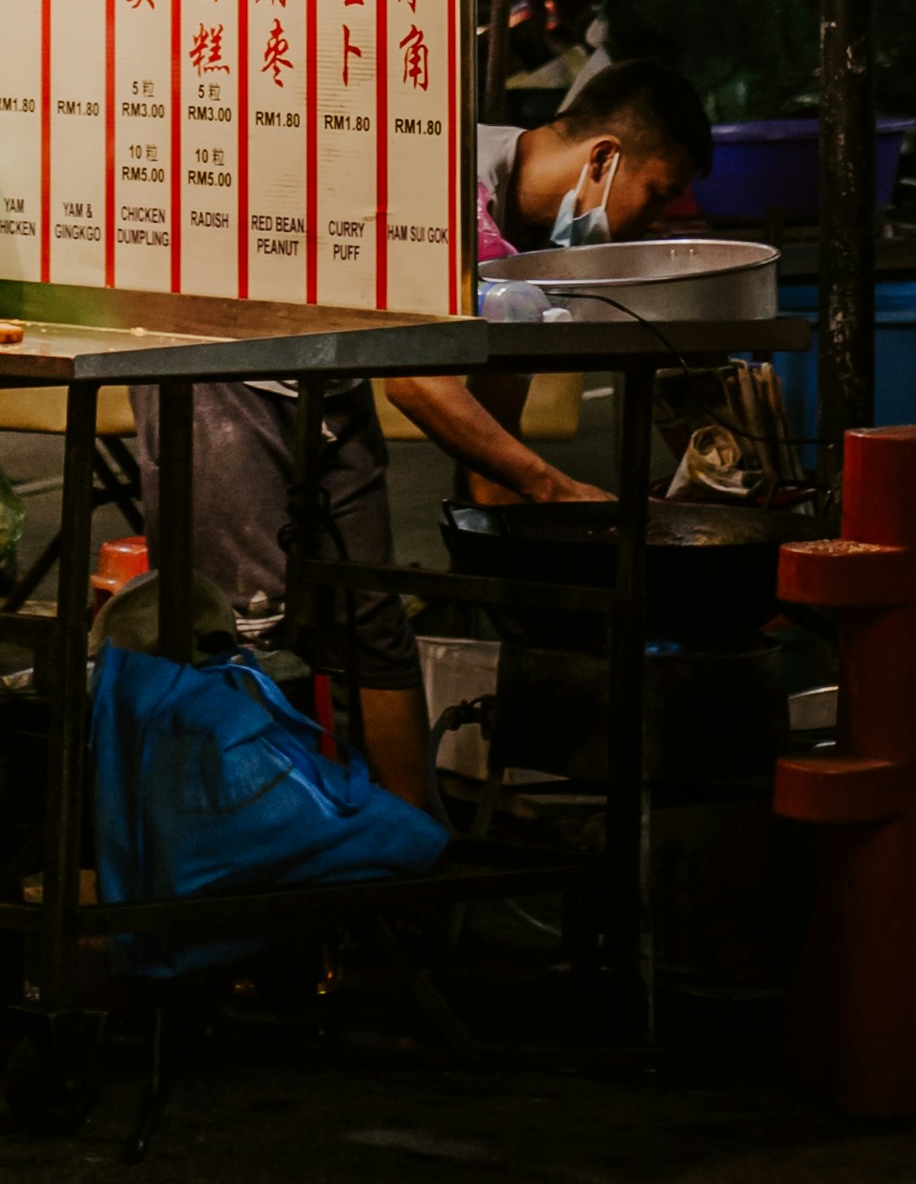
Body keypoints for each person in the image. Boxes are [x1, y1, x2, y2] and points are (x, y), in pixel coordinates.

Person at [135, 55, 715, 808]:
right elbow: (418, 382)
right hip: (224, 364)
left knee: (373, 627)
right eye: (659, 192)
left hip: (328, 373)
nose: (658, 216)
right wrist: (559, 487)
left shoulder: (532, 251)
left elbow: (487, 461)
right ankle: (246, 859)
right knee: (247, 632)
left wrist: (556, 540)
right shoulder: (447, 173)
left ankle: (410, 854)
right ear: (605, 156)